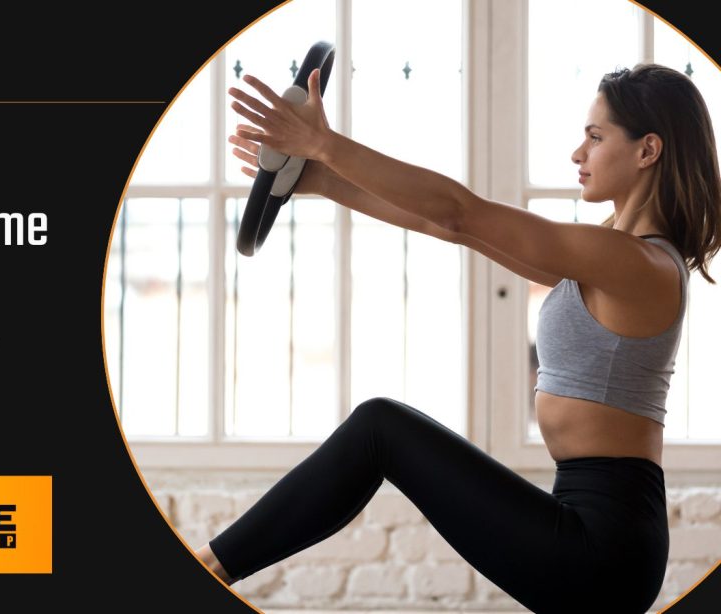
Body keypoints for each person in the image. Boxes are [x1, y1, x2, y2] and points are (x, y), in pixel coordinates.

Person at [194, 63, 721, 613]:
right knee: (380, 429)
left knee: (380, 428)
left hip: (604, 546)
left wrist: (324, 144)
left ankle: (207, 566)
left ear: (647, 150)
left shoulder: (636, 264)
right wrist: (321, 179)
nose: (577, 154)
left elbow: (459, 212)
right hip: (591, 521)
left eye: (595, 137)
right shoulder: (611, 253)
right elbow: (445, 226)